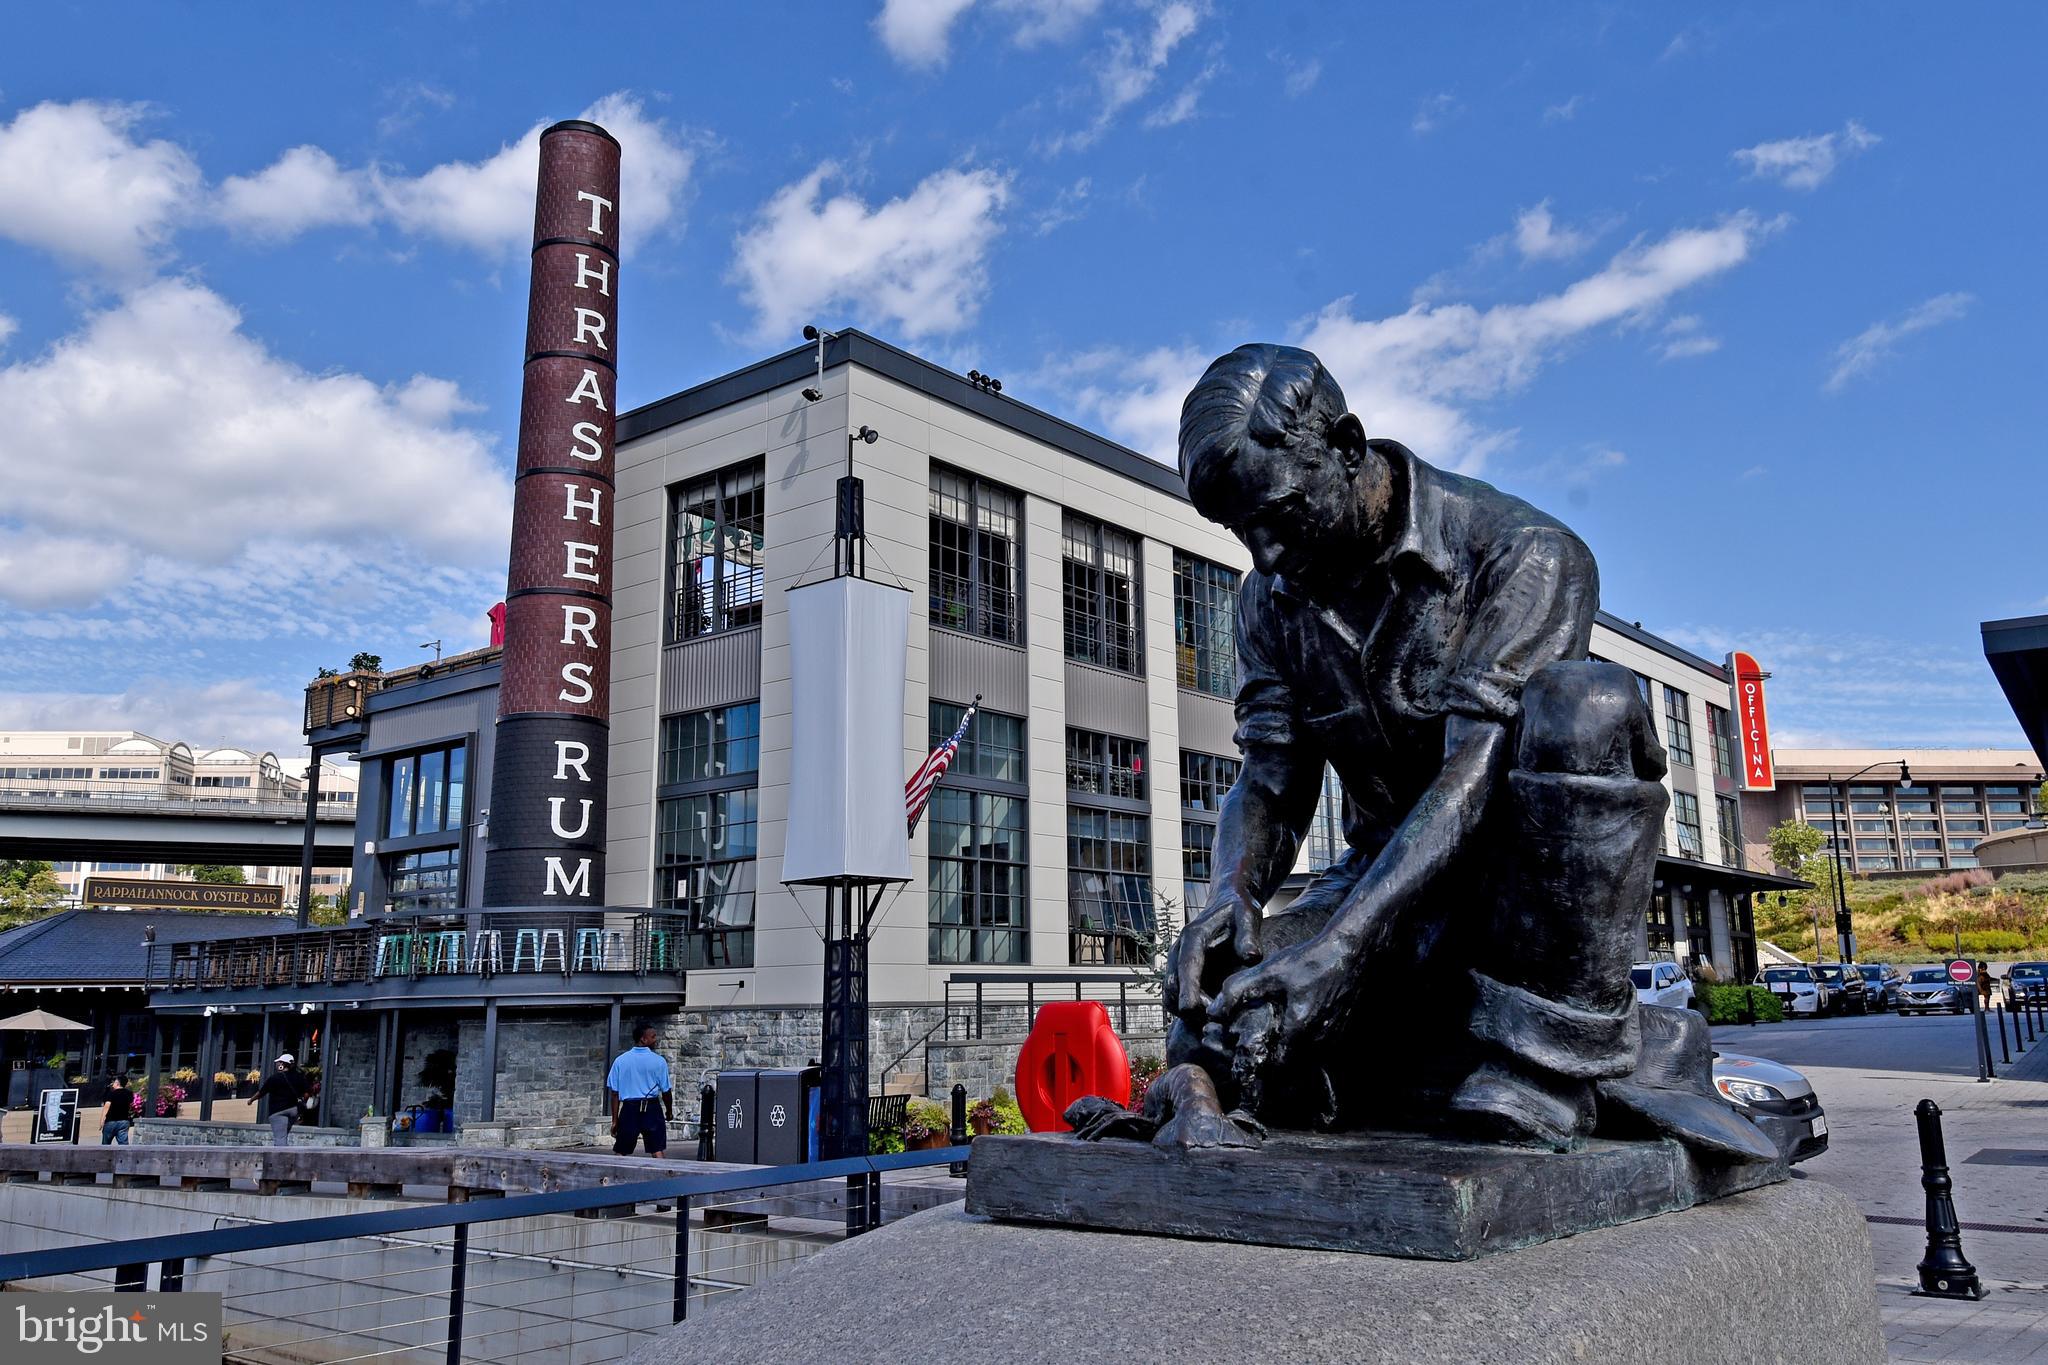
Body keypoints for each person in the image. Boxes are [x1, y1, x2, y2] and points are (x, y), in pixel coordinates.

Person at [1159, 344, 1774, 1162]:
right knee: (1217, 1010)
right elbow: (1269, 776)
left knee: (1584, 700)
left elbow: (1471, 771)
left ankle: (1543, 1066)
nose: (1266, 556)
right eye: (1243, 531)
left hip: (1519, 908)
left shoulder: (1526, 556)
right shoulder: (1270, 601)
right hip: (1389, 902)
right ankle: (1429, 1049)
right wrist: (1228, 897)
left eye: (1281, 515)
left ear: (1346, 447)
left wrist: (1343, 949)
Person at [606, 1022, 673, 1157]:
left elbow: (614, 1093)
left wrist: (615, 1120)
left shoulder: (620, 1061)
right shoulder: (659, 1061)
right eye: (653, 1037)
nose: (656, 1039)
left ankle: (615, 1176)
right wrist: (669, 1111)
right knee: (657, 1149)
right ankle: (663, 1176)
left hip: (629, 1109)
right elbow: (666, 1092)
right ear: (643, 1039)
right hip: (652, 1108)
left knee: (621, 1150)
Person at [255, 1053, 305, 1147]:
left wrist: (251, 1100)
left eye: (279, 1063)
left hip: (278, 1111)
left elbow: (262, 1092)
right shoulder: (299, 1077)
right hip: (294, 1110)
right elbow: (306, 1091)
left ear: (282, 1064)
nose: (277, 1064)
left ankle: (281, 1159)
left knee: (280, 1138)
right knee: (283, 1135)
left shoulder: (275, 1078)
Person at [101, 1076, 135, 1145]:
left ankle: (105, 1155)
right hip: (124, 1121)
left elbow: (106, 1106)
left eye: (114, 1082)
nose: (113, 1083)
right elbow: (131, 1104)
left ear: (117, 1083)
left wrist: (102, 1120)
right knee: (123, 1144)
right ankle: (125, 1155)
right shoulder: (129, 1093)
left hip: (111, 1121)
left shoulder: (111, 1093)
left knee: (106, 1144)